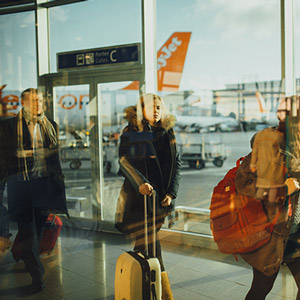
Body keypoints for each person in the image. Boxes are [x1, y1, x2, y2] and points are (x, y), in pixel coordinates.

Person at [0, 88, 68, 293]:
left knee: (37, 234)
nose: (39, 104)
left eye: (41, 100)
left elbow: (54, 159)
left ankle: (22, 253)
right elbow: (4, 158)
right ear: (23, 103)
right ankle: (37, 276)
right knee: (28, 232)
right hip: (20, 187)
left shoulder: (51, 125)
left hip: (43, 187)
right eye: (34, 100)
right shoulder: (9, 126)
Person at [115, 93, 181, 300]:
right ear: (141, 109)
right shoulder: (131, 132)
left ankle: (136, 286)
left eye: (159, 107)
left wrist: (171, 192)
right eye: (152, 107)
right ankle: (163, 294)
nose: (156, 110)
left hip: (161, 200)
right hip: (139, 199)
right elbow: (124, 161)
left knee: (144, 246)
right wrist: (140, 182)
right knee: (151, 244)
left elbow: (176, 163)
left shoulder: (168, 133)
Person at [235, 95, 300, 300]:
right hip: (273, 233)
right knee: (260, 290)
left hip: (297, 231)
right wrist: (282, 189)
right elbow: (243, 183)